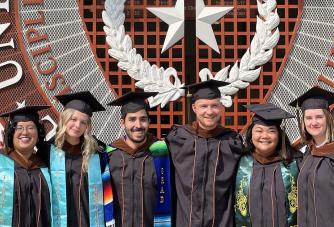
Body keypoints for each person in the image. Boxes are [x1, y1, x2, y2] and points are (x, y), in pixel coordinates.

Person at [166, 80, 244, 226]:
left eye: (214, 105)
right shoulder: (178, 139)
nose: (209, 111)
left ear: (221, 107)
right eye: (203, 106)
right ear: (194, 108)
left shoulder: (231, 141)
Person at [106, 91, 173, 227]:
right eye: (132, 119)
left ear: (148, 121)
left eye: (143, 119)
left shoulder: (162, 153)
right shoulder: (109, 155)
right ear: (122, 123)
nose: (138, 125)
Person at [235, 103, 302, 227]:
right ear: (251, 135)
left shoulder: (296, 163)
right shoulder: (238, 163)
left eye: (271, 131)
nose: (264, 136)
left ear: (279, 136)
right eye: (259, 130)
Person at [49, 91, 109, 227]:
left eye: (83, 122)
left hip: (89, 220)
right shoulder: (48, 150)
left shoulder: (97, 152)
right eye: (73, 119)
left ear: (87, 126)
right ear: (65, 119)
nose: (77, 126)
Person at [289, 86, 334, 227]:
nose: (314, 122)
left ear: (328, 118)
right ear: (303, 122)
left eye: (319, 117)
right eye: (308, 118)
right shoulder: (308, 153)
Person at [0, 104, 52, 227]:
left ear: (38, 133)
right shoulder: (2, 163)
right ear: (11, 133)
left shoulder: (45, 167)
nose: (25, 132)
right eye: (19, 128)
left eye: (30, 127)